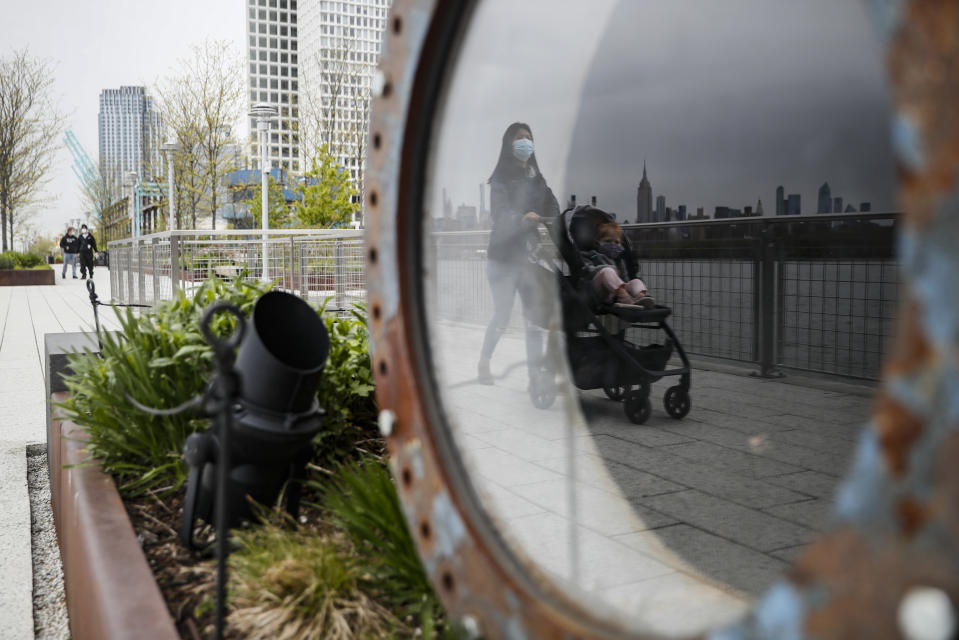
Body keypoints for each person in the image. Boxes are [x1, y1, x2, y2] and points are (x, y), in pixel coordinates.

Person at [477, 122, 560, 385]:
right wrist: (522, 219)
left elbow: (551, 204)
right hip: (502, 257)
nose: (525, 142)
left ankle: (535, 377)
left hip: (529, 257)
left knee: (534, 318)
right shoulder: (500, 180)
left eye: (528, 137)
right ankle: (484, 362)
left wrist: (560, 221)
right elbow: (499, 214)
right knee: (502, 315)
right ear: (509, 144)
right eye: (519, 138)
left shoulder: (538, 179)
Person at [580, 220, 655, 308]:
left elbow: (624, 280)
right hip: (597, 292)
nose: (613, 245)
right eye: (608, 241)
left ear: (621, 244)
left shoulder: (619, 260)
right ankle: (624, 298)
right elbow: (588, 271)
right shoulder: (591, 255)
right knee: (607, 271)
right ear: (598, 243)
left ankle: (641, 297)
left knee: (635, 281)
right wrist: (610, 269)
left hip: (614, 294)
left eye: (616, 242)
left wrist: (628, 286)